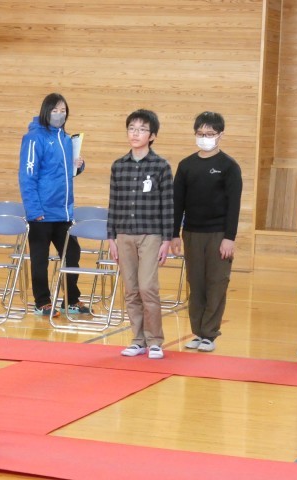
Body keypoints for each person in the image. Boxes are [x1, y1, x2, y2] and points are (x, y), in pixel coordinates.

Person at [171, 112, 242, 353]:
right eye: (201, 133)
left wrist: (229, 238)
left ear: (220, 135)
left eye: (210, 134)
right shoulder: (186, 165)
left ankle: (210, 334)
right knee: (196, 283)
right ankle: (198, 332)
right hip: (192, 233)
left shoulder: (229, 166)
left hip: (219, 234)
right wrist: (174, 234)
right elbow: (177, 203)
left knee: (216, 283)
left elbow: (234, 205)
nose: (205, 137)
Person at [107, 109, 174, 359]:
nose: (136, 133)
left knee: (148, 288)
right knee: (131, 289)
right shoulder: (119, 166)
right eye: (132, 129)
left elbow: (168, 205)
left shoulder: (161, 166)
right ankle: (138, 340)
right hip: (124, 234)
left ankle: (155, 340)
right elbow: (113, 203)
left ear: (152, 136)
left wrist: (167, 239)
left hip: (151, 235)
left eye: (142, 129)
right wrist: (111, 238)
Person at [18, 93, 89, 317]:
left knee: (72, 253)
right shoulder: (34, 138)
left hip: (63, 211)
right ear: (46, 111)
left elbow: (64, 173)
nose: (59, 114)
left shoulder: (66, 139)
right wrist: (34, 210)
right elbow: (27, 176)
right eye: (55, 110)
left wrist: (78, 166)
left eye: (63, 110)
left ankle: (71, 299)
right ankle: (42, 302)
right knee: (40, 259)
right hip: (41, 212)